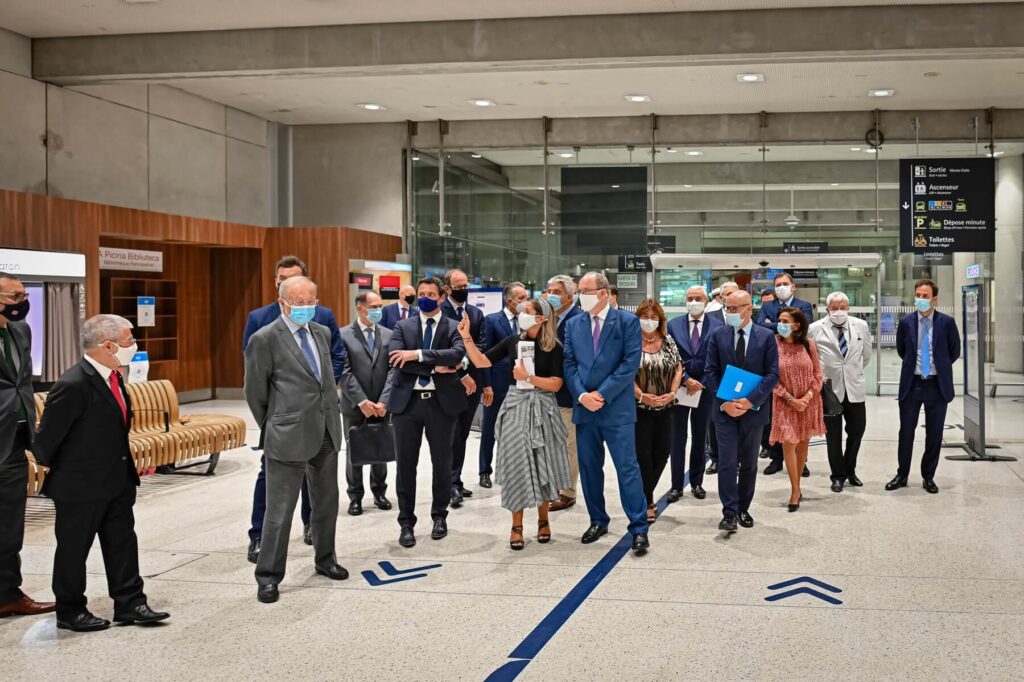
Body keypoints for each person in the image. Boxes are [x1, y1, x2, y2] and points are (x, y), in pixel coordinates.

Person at [33, 315, 169, 631]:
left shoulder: (114, 378)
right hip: (79, 485)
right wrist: (76, 467)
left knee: (123, 542)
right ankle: (70, 611)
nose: (133, 345)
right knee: (73, 549)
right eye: (128, 340)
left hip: (117, 479)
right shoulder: (73, 384)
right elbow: (44, 444)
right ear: (107, 345)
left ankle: (131, 603)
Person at [244, 276, 348, 604]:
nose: (305, 308)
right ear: (283, 303)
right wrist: (274, 424)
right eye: (298, 303)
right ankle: (269, 575)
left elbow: (326, 381)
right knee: (280, 510)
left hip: (326, 431)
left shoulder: (322, 332)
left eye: (310, 302)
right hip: (287, 433)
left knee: (326, 502)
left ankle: (325, 558)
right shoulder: (265, 339)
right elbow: (255, 392)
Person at [458, 298, 569, 550]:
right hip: (515, 404)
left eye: (528, 312)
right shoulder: (513, 341)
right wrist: (466, 338)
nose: (522, 314)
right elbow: (482, 361)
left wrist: (529, 377)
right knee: (516, 464)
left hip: (543, 407)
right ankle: (516, 526)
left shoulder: (554, 346)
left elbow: (556, 384)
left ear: (541, 318)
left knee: (544, 463)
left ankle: (543, 520)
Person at [563, 272, 650, 555]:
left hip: (616, 409)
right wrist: (582, 395)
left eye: (585, 290)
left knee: (627, 469)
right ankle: (597, 519)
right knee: (589, 470)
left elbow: (629, 363)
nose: (580, 295)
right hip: (585, 409)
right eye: (579, 290)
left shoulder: (627, 321)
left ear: (602, 293)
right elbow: (570, 364)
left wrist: (602, 394)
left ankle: (638, 527)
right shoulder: (574, 324)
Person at [386, 277, 467, 548]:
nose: (425, 297)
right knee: (405, 465)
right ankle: (406, 521)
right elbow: (396, 358)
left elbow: (456, 355)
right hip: (406, 405)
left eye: (431, 293)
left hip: (440, 404)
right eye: (421, 293)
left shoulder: (454, 326)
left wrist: (417, 355)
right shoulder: (402, 325)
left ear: (441, 297)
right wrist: (435, 365)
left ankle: (439, 517)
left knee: (442, 463)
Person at [0, 273, 56, 619]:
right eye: (15, 295)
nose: (23, 301)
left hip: (16, 439)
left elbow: (23, 381)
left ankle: (8, 593)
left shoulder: (21, 330)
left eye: (23, 294)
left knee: (9, 525)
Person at [704, 290, 779, 532]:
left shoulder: (766, 337)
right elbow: (710, 372)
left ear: (749, 308)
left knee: (749, 463)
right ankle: (729, 512)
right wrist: (725, 401)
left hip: (753, 411)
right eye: (727, 308)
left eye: (735, 308)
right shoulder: (718, 335)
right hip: (724, 410)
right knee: (726, 461)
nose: (730, 313)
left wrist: (749, 401)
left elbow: (772, 375)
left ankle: (743, 507)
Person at [888, 279, 960, 494]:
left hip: (937, 385)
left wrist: (938, 368)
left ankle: (928, 476)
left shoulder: (946, 323)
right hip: (913, 384)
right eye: (918, 295)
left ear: (934, 299)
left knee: (935, 434)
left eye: (925, 296)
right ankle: (902, 474)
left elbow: (954, 352)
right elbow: (902, 351)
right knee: (906, 432)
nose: (920, 299)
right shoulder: (906, 321)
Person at [809, 292, 871, 492]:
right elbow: (812, 359)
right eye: (834, 308)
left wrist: (852, 372)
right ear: (827, 309)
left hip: (855, 388)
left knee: (857, 431)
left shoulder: (860, 326)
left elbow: (866, 355)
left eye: (842, 307)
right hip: (829, 391)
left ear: (849, 307)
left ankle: (850, 470)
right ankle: (837, 475)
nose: (839, 311)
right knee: (833, 436)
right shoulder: (815, 329)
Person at [338, 290, 393, 516]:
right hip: (354, 404)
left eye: (380, 306)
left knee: (381, 446)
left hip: (382, 405)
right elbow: (345, 372)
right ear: (360, 308)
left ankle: (379, 492)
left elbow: (393, 371)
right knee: (355, 450)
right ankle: (355, 496)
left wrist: (384, 401)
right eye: (374, 307)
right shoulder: (342, 336)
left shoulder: (389, 335)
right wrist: (361, 401)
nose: (379, 310)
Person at [666, 285, 722, 502]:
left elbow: (718, 358)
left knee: (700, 437)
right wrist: (686, 379)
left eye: (698, 298)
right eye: (690, 298)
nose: (693, 302)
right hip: (679, 388)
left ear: (706, 301)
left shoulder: (718, 326)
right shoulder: (673, 325)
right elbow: (670, 356)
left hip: (705, 389)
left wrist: (702, 382)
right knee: (677, 438)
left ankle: (696, 482)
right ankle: (676, 485)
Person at [757, 272, 813, 477]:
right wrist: (780, 326)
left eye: (784, 284)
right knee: (775, 415)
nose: (781, 287)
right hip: (774, 360)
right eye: (777, 284)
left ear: (793, 286)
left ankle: (801, 460)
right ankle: (776, 458)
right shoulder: (767, 306)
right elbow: (759, 326)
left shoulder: (804, 305)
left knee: (799, 417)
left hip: (798, 363)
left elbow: (804, 327)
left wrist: (774, 324)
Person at [769, 308, 826, 512]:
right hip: (785, 403)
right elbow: (771, 378)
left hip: (809, 403)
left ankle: (798, 485)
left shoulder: (808, 345)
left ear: (796, 325)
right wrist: (791, 399)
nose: (780, 324)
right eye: (779, 320)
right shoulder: (773, 346)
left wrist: (807, 397)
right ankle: (794, 490)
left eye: (785, 320)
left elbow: (818, 375)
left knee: (802, 444)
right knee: (789, 443)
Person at [441, 268, 487, 508]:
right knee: (450, 435)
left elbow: (481, 344)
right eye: (459, 287)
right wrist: (461, 366)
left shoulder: (475, 313)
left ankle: (455, 479)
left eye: (466, 285)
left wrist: (469, 363)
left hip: (473, 384)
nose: (464, 290)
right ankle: (449, 483)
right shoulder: (441, 312)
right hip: (449, 383)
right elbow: (442, 346)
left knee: (463, 434)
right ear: (447, 289)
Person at [633, 299, 682, 523]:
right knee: (643, 456)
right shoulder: (631, 341)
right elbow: (625, 372)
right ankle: (647, 500)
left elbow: (679, 367)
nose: (649, 321)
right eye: (645, 316)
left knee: (662, 453)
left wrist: (672, 393)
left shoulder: (668, 340)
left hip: (666, 407)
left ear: (660, 320)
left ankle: (642, 494)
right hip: (639, 409)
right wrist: (642, 396)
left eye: (654, 317)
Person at [479, 282, 528, 489]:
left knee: (518, 430)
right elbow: (484, 356)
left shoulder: (527, 321)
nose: (526, 302)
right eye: (522, 298)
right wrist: (486, 385)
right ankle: (484, 471)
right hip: (497, 385)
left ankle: (514, 471)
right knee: (490, 428)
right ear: (510, 301)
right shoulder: (492, 321)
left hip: (523, 384)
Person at [545, 275, 585, 512]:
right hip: (547, 391)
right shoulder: (550, 317)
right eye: (549, 290)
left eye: (556, 291)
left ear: (569, 296)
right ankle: (555, 484)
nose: (551, 294)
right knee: (553, 444)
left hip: (568, 393)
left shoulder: (578, 319)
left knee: (570, 445)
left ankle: (568, 491)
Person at [704, 281, 738, 475]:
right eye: (726, 294)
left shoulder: (745, 315)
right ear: (721, 297)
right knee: (714, 421)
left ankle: (737, 459)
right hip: (716, 376)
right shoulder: (710, 317)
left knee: (740, 418)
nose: (729, 296)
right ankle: (715, 458)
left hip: (740, 377)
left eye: (733, 293)